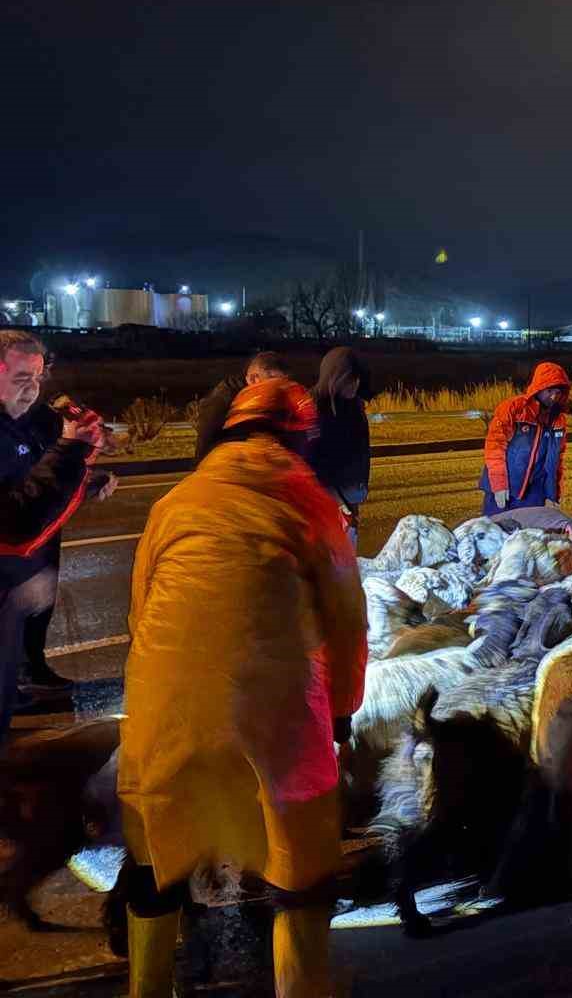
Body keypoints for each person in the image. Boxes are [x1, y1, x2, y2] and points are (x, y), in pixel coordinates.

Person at [117, 378, 367, 998]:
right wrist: (341, 713)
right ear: (300, 438)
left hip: (166, 709)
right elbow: (345, 620)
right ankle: (301, 984)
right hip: (274, 712)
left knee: (158, 849)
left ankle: (146, 988)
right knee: (302, 867)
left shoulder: (177, 500)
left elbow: (139, 611)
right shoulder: (309, 503)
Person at [0, 331, 117, 727]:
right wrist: (69, 452)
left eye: (37, 377)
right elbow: (14, 517)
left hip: (24, 569)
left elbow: (40, 487)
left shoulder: (32, 421)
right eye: (21, 379)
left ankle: (23, 679)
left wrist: (85, 477)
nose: (33, 389)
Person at [480, 361, 571, 517]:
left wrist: (553, 495)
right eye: (550, 391)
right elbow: (495, 448)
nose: (554, 396)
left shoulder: (558, 420)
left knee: (530, 538)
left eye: (558, 392)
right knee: (498, 535)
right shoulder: (513, 409)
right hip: (505, 490)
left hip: (534, 494)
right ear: (539, 387)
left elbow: (555, 461)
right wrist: (499, 485)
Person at [307, 347, 372, 547]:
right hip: (327, 499)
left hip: (349, 497)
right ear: (336, 378)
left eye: (358, 379)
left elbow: (359, 447)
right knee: (329, 557)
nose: (355, 384)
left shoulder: (354, 405)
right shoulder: (313, 408)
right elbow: (311, 462)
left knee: (345, 553)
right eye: (351, 379)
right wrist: (338, 501)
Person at [193, 350, 289, 463]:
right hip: (228, 466)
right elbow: (206, 436)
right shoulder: (224, 398)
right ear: (253, 379)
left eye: (282, 383)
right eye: (272, 381)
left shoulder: (274, 396)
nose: (278, 388)